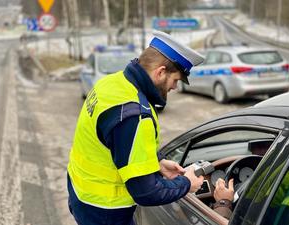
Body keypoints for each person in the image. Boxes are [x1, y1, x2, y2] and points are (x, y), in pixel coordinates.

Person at [67, 30, 223, 225]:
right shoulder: (134, 115)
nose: (174, 87)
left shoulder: (111, 83)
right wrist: (186, 183)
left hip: (81, 194)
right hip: (107, 211)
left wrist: (156, 164)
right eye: (175, 80)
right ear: (160, 72)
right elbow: (146, 193)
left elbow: (115, 144)